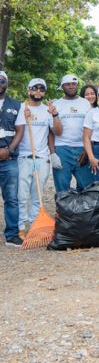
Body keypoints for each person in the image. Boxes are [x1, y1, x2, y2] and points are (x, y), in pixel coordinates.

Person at [15, 79, 61, 236]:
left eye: (42, 89)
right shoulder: (21, 108)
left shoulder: (47, 110)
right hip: (23, 157)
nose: (38, 91)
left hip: (41, 157)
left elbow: (55, 132)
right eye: (35, 88)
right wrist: (23, 117)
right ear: (29, 90)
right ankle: (20, 226)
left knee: (37, 194)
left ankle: (36, 225)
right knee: (21, 195)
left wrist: (55, 114)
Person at [50, 74, 92, 193]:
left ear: (77, 85)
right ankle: (62, 211)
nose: (71, 86)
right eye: (67, 84)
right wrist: (53, 153)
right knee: (62, 187)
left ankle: (84, 211)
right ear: (62, 86)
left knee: (87, 186)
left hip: (82, 149)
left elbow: (90, 128)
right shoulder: (56, 104)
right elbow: (55, 132)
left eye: (74, 84)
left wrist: (87, 149)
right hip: (62, 149)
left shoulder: (85, 103)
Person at [0, 71, 23, 247]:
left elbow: (20, 130)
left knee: (11, 198)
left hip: (8, 159)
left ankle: (12, 234)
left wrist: (10, 149)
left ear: (6, 83)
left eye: (2, 81)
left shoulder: (16, 104)